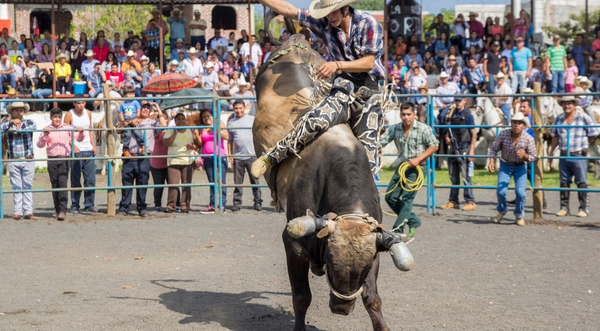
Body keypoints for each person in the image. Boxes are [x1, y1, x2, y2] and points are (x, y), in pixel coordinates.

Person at [252, 0, 385, 176]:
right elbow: (289, 10)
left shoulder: (368, 23)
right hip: (345, 85)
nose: (330, 17)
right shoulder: (323, 22)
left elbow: (369, 62)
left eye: (334, 12)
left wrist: (337, 65)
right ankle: (271, 157)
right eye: (327, 13)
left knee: (369, 159)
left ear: (346, 8)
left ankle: (373, 200)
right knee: (316, 121)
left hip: (370, 90)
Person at [380, 102, 439, 241]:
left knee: (407, 198)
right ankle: (413, 220)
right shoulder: (395, 129)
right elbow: (381, 142)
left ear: (414, 115)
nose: (406, 117)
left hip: (417, 168)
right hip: (402, 167)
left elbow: (434, 145)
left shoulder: (423, 129)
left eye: (409, 114)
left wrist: (418, 159)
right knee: (390, 197)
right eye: (403, 114)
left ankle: (398, 229)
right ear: (400, 115)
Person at [549, 96, 599, 218]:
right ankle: (564, 207)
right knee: (564, 181)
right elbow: (555, 136)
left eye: (569, 103)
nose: (567, 106)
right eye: (564, 104)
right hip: (564, 154)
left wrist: (585, 144)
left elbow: (593, 132)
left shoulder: (583, 117)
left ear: (574, 105)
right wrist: (551, 152)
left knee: (581, 181)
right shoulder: (559, 118)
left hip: (578, 154)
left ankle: (583, 208)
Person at [116, 102, 167, 217]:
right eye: (143, 107)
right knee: (126, 182)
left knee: (142, 182)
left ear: (150, 110)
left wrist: (158, 109)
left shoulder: (152, 122)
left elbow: (163, 126)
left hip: (144, 157)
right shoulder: (130, 119)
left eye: (148, 108)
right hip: (129, 156)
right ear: (138, 109)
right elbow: (117, 130)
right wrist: (128, 122)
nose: (145, 110)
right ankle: (124, 208)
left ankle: (141, 207)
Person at [488, 112, 536, 226]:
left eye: (519, 123)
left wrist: (525, 156)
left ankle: (519, 215)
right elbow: (493, 148)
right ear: (511, 123)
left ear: (524, 126)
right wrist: (491, 160)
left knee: (520, 193)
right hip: (505, 164)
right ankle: (501, 210)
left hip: (520, 166)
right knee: (501, 191)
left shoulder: (528, 138)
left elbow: (534, 156)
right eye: (514, 122)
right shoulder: (503, 134)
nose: (516, 125)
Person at [37, 107, 84, 221]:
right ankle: (57, 208)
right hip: (52, 159)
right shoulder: (47, 129)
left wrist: (81, 131)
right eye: (55, 117)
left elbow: (78, 138)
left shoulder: (67, 128)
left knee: (62, 183)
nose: (57, 119)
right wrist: (45, 135)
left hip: (64, 159)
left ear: (61, 118)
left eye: (58, 117)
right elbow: (39, 144)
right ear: (51, 118)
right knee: (55, 185)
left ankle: (63, 210)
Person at [440, 96, 477, 212]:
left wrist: (471, 151)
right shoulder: (451, 115)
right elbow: (447, 130)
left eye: (460, 100)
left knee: (466, 176)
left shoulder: (468, 116)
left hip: (464, 148)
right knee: (453, 176)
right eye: (456, 100)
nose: (458, 102)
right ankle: (453, 201)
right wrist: (446, 138)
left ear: (465, 101)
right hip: (453, 149)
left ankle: (470, 201)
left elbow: (474, 134)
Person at [1, 102, 36, 220]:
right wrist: (11, 123)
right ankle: (18, 212)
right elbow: (1, 127)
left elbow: (33, 127)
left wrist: (17, 129)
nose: (19, 112)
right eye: (16, 110)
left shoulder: (29, 122)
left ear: (24, 112)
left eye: (21, 110)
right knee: (16, 186)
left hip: (27, 158)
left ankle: (28, 211)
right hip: (14, 159)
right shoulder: (6, 123)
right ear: (12, 112)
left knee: (27, 185)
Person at [63, 95, 98, 213]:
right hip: (77, 150)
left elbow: (90, 130)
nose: (81, 105)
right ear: (74, 103)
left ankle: (89, 204)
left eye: (83, 103)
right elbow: (65, 132)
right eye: (79, 103)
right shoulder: (69, 114)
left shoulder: (88, 113)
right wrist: (73, 146)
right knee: (75, 179)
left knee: (90, 179)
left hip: (88, 149)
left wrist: (93, 145)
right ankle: (75, 205)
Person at [163, 112, 202, 213]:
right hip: (174, 160)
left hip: (188, 161)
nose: (180, 121)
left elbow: (198, 145)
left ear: (185, 120)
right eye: (178, 119)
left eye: (182, 119)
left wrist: (192, 146)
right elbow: (166, 143)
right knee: (173, 184)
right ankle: (171, 205)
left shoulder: (190, 130)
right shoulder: (171, 130)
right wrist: (175, 133)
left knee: (186, 184)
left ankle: (185, 205)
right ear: (175, 121)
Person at [228, 100, 262, 211]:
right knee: (238, 182)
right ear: (234, 109)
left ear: (244, 107)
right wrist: (230, 154)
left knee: (255, 180)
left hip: (252, 154)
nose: (238, 110)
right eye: (236, 108)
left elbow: (258, 135)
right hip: (238, 156)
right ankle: (237, 203)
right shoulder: (231, 122)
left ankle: (258, 202)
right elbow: (230, 141)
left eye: (240, 108)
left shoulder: (252, 119)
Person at [197, 109, 229, 213]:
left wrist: (216, 129)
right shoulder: (203, 128)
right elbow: (200, 143)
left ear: (212, 116)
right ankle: (212, 204)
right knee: (212, 182)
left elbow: (226, 136)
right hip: (207, 157)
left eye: (208, 116)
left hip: (220, 156)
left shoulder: (219, 123)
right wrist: (197, 135)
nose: (206, 118)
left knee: (221, 181)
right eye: (204, 117)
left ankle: (222, 205)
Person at [118, 85, 145, 157]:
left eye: (133, 93)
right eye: (129, 94)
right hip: (127, 121)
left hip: (134, 120)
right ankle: (126, 149)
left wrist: (137, 117)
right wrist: (123, 121)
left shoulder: (135, 102)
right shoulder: (123, 104)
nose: (131, 95)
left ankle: (143, 145)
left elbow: (138, 110)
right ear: (125, 95)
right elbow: (121, 113)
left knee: (138, 132)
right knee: (127, 134)